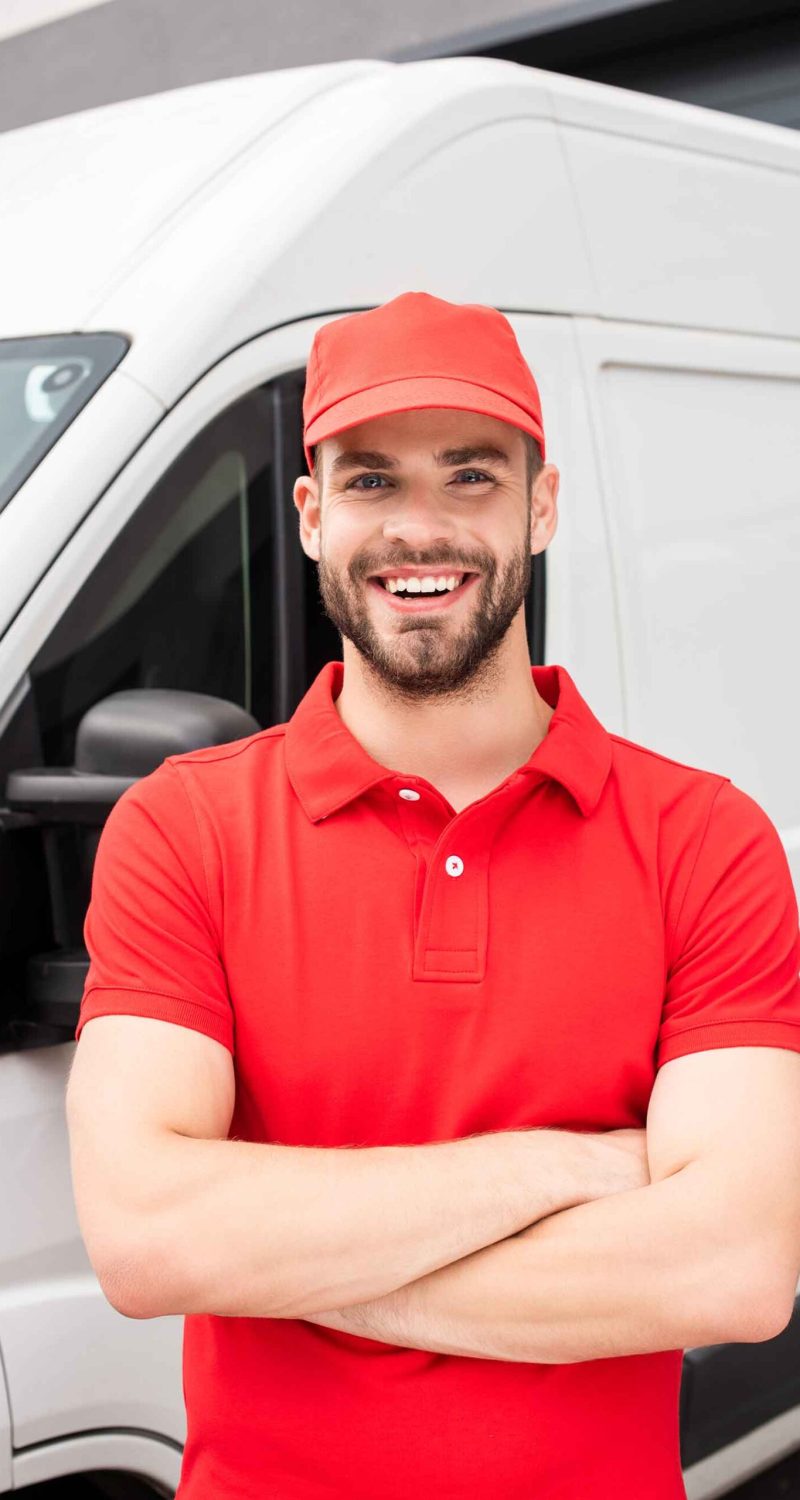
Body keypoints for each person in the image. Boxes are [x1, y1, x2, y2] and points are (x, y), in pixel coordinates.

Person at [71, 291, 800, 1499]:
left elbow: (729, 1271)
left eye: (469, 477)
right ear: (308, 517)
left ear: (541, 507)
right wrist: (560, 1169)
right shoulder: (183, 829)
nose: (420, 528)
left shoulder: (701, 839)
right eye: (369, 481)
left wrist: (281, 1262)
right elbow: (149, 1242)